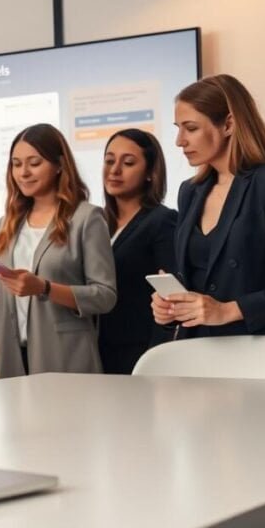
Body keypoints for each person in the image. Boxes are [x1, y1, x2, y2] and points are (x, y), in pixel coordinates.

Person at [151, 74, 265, 338]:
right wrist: (170, 310)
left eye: (190, 128)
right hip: (198, 351)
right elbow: (199, 282)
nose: (179, 141)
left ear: (228, 124)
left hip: (264, 349)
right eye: (177, 128)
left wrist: (230, 310)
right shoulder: (190, 192)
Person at [0, 123, 116, 378]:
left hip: (65, 357)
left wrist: (45, 288)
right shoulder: (9, 222)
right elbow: (0, 296)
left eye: (34, 163)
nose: (23, 173)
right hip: (13, 356)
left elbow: (105, 295)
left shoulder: (86, 218)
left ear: (59, 165)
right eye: (16, 164)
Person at [98, 129, 177, 374]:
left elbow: (170, 295)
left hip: (139, 354)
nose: (115, 170)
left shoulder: (163, 221)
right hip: (94, 350)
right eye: (109, 161)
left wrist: (156, 361)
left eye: (128, 162)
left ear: (150, 174)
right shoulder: (95, 223)